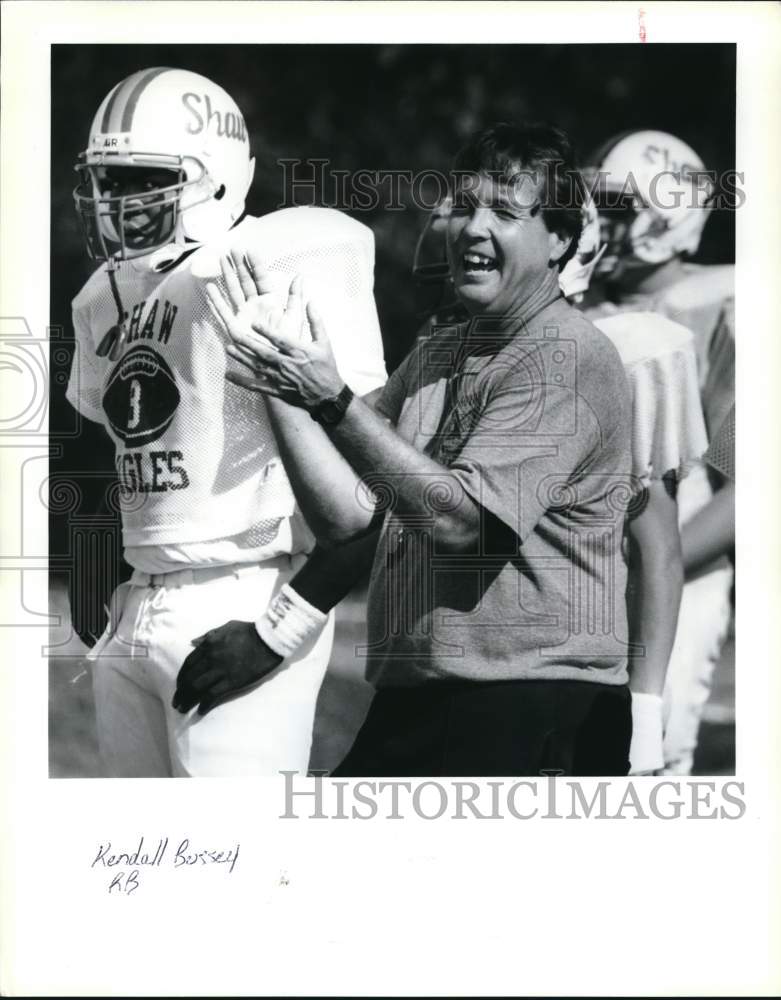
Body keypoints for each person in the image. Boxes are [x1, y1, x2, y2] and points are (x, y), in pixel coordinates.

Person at [195, 122, 636, 777]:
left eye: (505, 212)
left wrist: (328, 398)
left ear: (560, 241)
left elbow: (463, 526)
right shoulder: (441, 350)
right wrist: (278, 383)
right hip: (426, 696)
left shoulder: (564, 355)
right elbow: (348, 515)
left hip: (533, 704)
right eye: (462, 205)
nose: (470, 227)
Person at [65, 66, 387, 777]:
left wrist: (283, 628)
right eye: (107, 180)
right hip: (138, 597)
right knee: (138, 862)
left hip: (248, 584)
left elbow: (368, 486)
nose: (117, 200)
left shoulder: (274, 256)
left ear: (212, 178)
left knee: (237, 861)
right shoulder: (103, 295)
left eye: (141, 177)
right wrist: (99, 587)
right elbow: (110, 453)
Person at [587, 130, 734, 774]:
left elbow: (747, 486)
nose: (598, 224)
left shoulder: (720, 304)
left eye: (619, 209)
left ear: (668, 219)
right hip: (571, 574)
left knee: (647, 765)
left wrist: (639, 561)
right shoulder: (575, 296)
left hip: (674, 576)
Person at [560, 197, 709, 774]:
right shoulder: (447, 345)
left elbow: (747, 476)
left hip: (643, 581)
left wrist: (644, 712)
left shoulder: (641, 344)